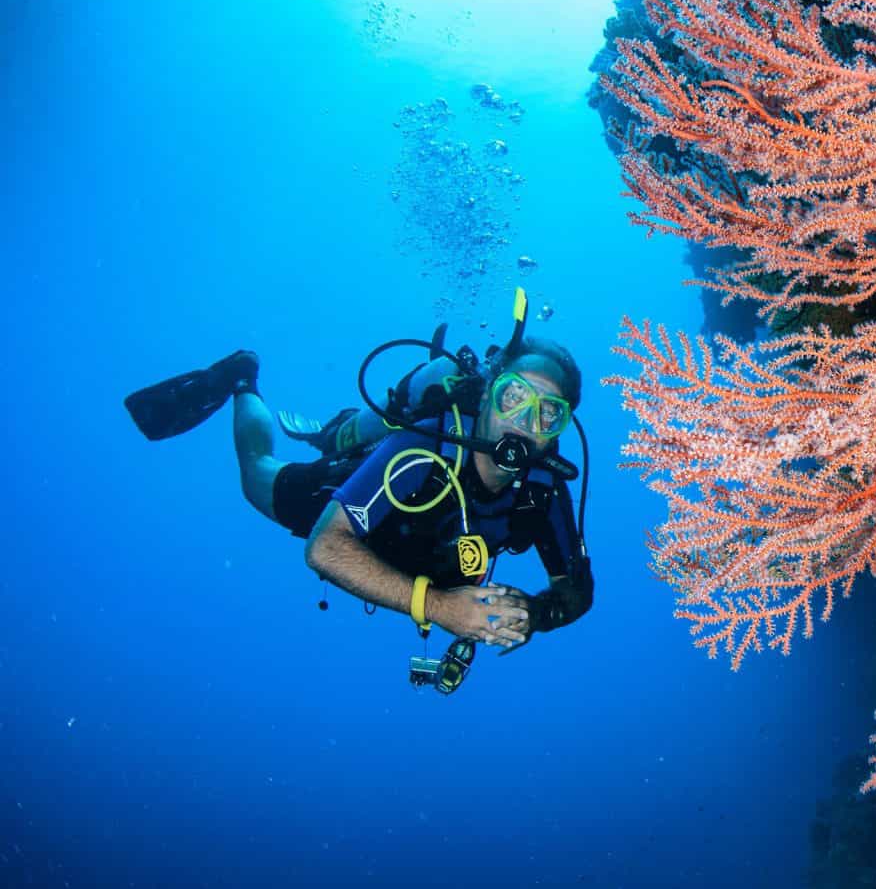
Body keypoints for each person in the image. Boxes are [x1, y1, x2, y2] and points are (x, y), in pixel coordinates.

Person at [124, 292, 592, 691]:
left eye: (548, 414)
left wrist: (534, 613)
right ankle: (243, 379)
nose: (526, 424)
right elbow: (324, 548)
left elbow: (577, 589)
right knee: (255, 474)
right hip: (357, 515)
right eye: (515, 398)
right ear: (489, 394)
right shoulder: (425, 445)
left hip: (427, 554)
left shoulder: (543, 488)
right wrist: (440, 607)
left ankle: (333, 424)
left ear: (558, 431)